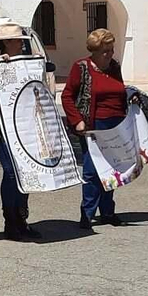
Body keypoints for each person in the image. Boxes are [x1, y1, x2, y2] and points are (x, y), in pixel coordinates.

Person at [61, 29, 134, 230]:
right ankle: (87, 213)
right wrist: (77, 120)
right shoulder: (82, 67)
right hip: (93, 125)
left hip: (116, 124)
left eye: (111, 50)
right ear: (94, 51)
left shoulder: (114, 67)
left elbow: (119, 90)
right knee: (92, 171)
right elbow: (67, 95)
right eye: (105, 51)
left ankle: (108, 211)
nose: (109, 54)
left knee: (112, 168)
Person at [0, 21, 38, 241]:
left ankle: (21, 218)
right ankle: (11, 221)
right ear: (7, 43)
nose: (21, 45)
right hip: (4, 128)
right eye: (18, 41)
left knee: (24, 172)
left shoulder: (23, 62)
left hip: (23, 126)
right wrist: (1, 68)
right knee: (10, 173)